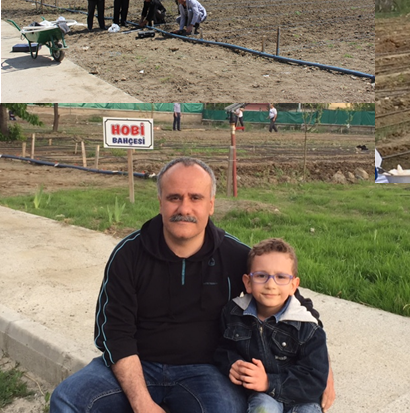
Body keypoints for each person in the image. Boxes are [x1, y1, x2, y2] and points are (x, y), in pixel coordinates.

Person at [50, 157, 336, 413]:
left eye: (195, 198)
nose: (184, 208)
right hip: (139, 363)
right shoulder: (128, 254)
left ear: (211, 204)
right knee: (68, 399)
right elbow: (114, 332)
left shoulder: (236, 256)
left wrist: (324, 374)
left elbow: (296, 307)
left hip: (206, 370)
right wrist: (143, 404)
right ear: (160, 200)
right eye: (174, 197)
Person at [215, 239, 329, 413]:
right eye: (261, 276)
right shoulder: (234, 313)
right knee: (263, 409)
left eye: (281, 277)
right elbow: (222, 349)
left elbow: (315, 379)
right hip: (262, 395)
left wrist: (269, 382)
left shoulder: (308, 328)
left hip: (302, 398)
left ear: (293, 285)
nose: (270, 284)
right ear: (247, 282)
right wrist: (233, 364)